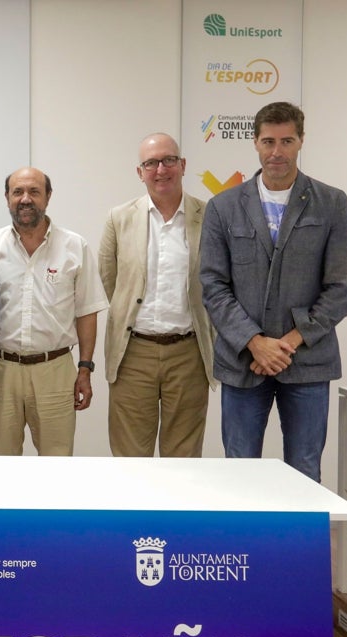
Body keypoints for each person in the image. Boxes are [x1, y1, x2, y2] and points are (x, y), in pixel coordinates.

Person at [201, 101, 347, 482]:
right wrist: (255, 343)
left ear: (301, 141)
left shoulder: (331, 203)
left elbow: (341, 287)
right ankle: (244, 544)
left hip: (307, 361)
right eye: (268, 141)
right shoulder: (222, 207)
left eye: (287, 141)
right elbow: (212, 285)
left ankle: (301, 545)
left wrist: (284, 344)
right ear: (254, 142)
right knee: (239, 468)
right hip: (243, 361)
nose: (277, 151)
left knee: (305, 468)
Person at [99, 133, 214, 457]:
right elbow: (111, 280)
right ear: (140, 172)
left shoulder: (209, 216)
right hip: (133, 353)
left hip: (188, 354)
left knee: (184, 457)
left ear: (183, 165)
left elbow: (218, 283)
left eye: (168, 160)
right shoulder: (119, 218)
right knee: (130, 457)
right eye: (151, 163)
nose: (160, 169)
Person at [0, 167, 108, 456]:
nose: (26, 199)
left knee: (57, 466)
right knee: (2, 464)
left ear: (48, 197)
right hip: (0, 369)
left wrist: (85, 369)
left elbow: (87, 312)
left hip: (55, 371)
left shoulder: (74, 246)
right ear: (7, 198)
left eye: (34, 192)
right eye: (18, 192)